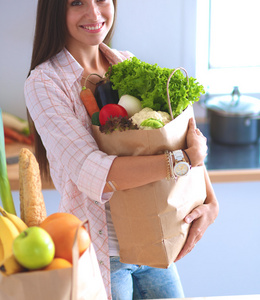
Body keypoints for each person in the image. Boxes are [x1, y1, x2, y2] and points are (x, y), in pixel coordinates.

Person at [24, 0, 219, 299]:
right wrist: (182, 161)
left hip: (156, 238)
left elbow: (182, 138)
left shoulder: (127, 64)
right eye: (77, 2)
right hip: (102, 251)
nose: (94, 13)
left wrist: (211, 201)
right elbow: (91, 171)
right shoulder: (44, 83)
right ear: (55, 10)